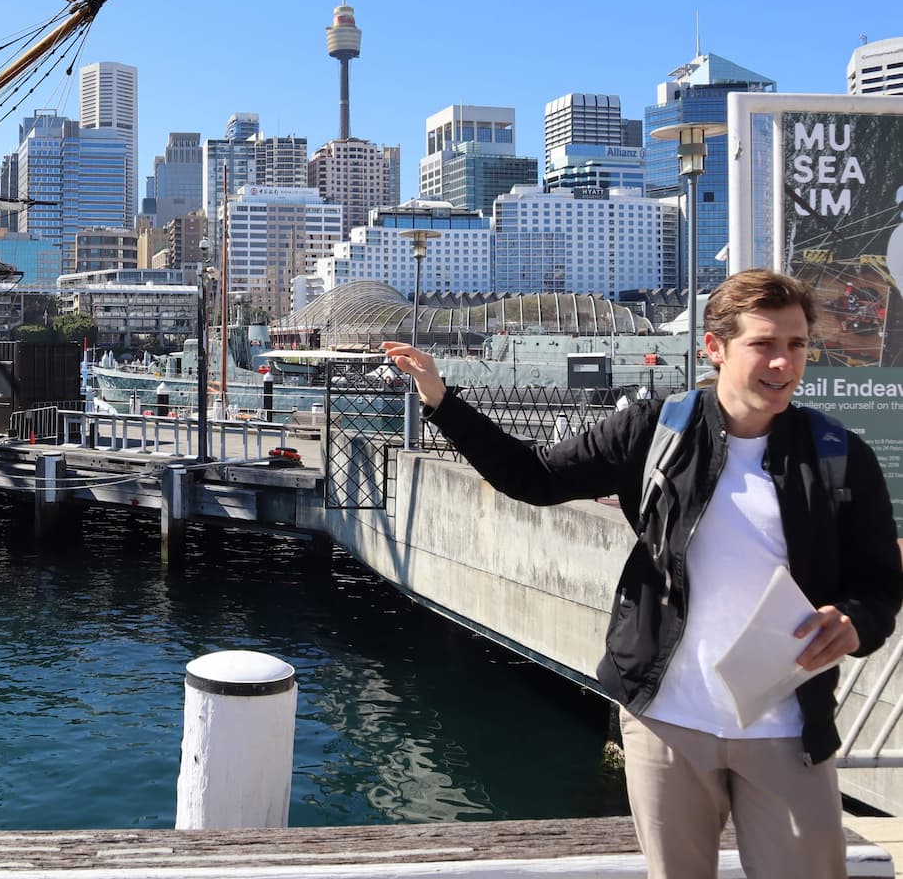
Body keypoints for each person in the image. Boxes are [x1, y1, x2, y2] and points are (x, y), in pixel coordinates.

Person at [382, 268, 903, 879]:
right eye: (764, 345)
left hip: (787, 724)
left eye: (795, 346)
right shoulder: (655, 430)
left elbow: (879, 579)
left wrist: (857, 620)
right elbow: (533, 476)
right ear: (716, 347)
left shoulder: (839, 453)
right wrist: (441, 400)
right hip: (667, 719)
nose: (783, 364)